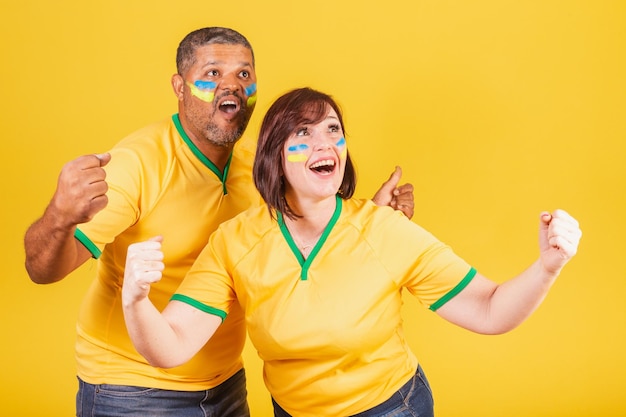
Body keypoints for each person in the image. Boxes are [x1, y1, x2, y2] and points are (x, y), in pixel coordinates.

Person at [121, 87, 582, 417]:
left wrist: (547, 267)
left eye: (333, 130)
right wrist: (137, 300)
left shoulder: (385, 230)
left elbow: (489, 310)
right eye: (303, 133)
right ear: (273, 156)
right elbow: (172, 345)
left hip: (391, 409)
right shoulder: (234, 241)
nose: (325, 144)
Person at [23, 29, 415, 417]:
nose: (231, 86)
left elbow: (309, 237)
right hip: (133, 389)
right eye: (212, 73)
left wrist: (374, 218)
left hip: (226, 383)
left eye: (243, 75)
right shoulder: (136, 166)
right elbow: (43, 270)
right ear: (179, 86)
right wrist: (59, 216)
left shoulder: (259, 169)